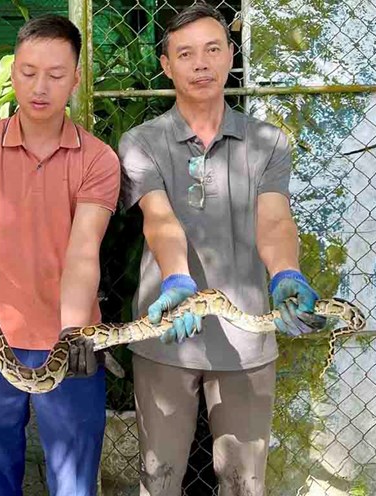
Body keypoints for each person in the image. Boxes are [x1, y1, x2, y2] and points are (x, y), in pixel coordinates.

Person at [118, 3, 321, 495]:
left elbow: (273, 220)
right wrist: (177, 278)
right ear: (167, 66)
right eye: (185, 53)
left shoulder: (268, 142)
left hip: (248, 338)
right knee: (158, 479)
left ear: (231, 54)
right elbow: (159, 219)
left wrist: (285, 274)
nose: (201, 63)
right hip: (166, 331)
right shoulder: (141, 140)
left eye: (213, 49)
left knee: (243, 483)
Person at [0, 14, 121, 496]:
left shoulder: (97, 159)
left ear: (76, 79)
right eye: (29, 72)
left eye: (56, 75)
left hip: (70, 340)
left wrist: (75, 332)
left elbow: (83, 252)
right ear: (14, 74)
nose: (41, 87)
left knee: (73, 478)